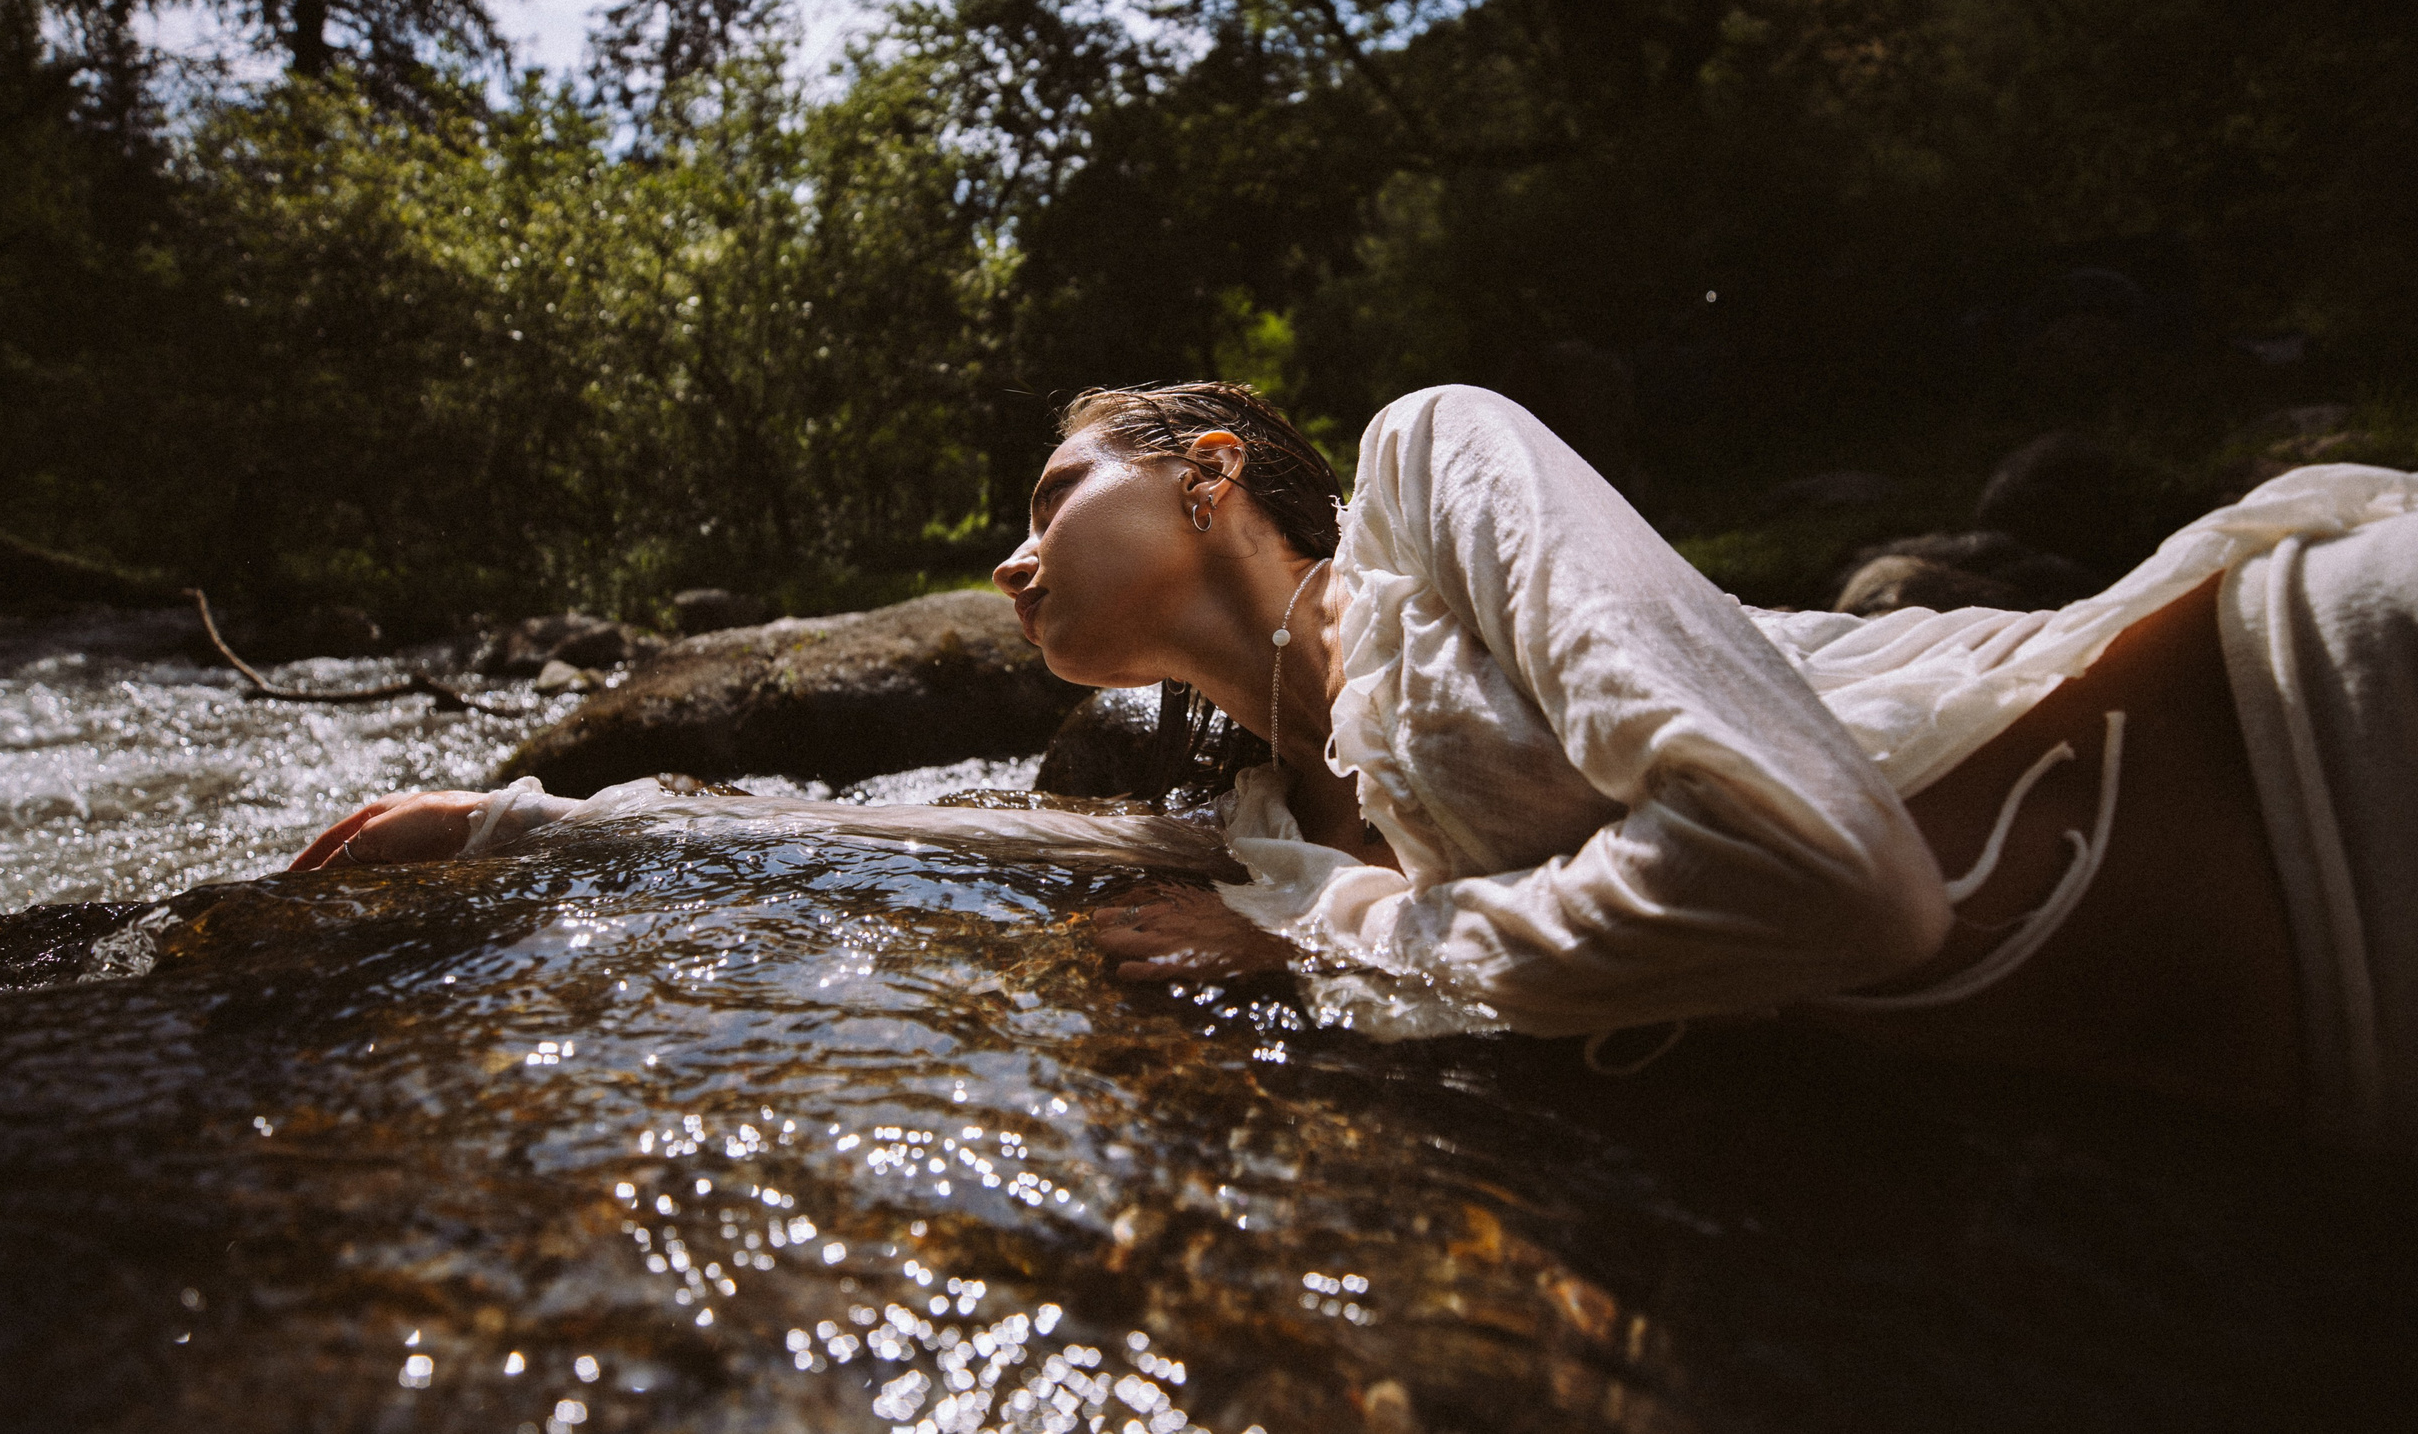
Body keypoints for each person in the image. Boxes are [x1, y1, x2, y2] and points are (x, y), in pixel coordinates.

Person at [296, 381, 2418, 1151]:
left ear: (1210, 471)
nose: (1009, 551)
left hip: (2336, 708)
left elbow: (1827, 874)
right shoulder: (1245, 823)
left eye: (1054, 486)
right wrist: (508, 823)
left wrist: (1365, 941)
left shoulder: (1433, 464)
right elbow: (906, 834)